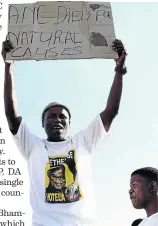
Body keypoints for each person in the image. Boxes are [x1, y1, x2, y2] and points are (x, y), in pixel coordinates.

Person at [2, 38, 127, 226]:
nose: (57, 119)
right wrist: (8, 65)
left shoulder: (83, 141)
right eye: (51, 116)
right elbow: (11, 114)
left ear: (69, 123)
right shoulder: (33, 145)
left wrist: (119, 70)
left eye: (62, 116)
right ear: (43, 123)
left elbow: (111, 111)